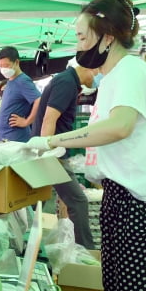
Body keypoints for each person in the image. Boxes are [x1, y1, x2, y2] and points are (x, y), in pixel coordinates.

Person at [26, 0, 146, 291]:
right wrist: (76, 156)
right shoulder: (115, 76)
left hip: (144, 202)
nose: (77, 46)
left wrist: (56, 140)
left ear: (107, 36)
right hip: (127, 197)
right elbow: (121, 138)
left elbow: (119, 126)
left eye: (81, 37)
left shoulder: (130, 71)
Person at [31, 62, 97, 249]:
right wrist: (48, 155)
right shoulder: (67, 82)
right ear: (87, 67)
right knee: (78, 201)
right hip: (53, 154)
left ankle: (34, 245)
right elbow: (48, 120)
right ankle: (85, 253)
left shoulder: (65, 81)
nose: (98, 75)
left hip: (51, 152)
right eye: (97, 70)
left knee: (41, 201)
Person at [0, 46, 41, 142]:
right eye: (1, 66)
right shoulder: (11, 80)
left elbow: (39, 100)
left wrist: (27, 121)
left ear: (16, 62)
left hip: (16, 138)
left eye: (7, 65)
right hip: (6, 137)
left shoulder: (23, 81)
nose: (3, 69)